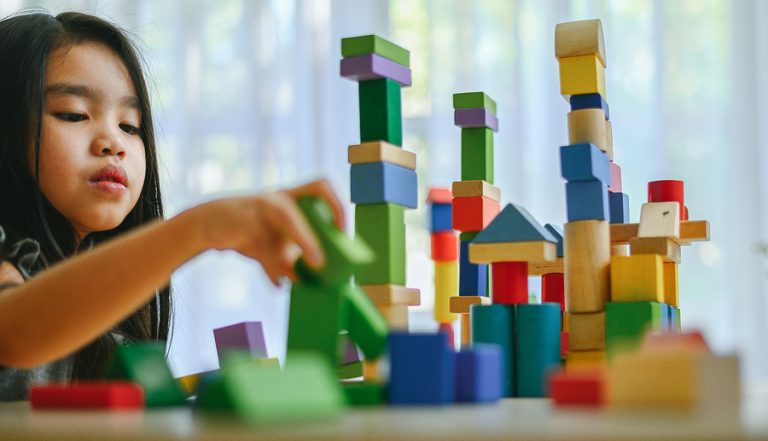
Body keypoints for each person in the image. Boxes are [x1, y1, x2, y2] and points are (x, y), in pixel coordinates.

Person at [0, 11, 344, 401]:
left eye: (130, 126)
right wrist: (201, 227)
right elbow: (13, 327)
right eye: (73, 114)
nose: (114, 142)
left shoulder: (109, 327)